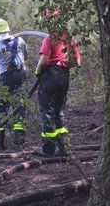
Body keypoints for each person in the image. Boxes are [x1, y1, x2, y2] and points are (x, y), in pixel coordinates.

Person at [33, 21, 81, 157]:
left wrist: (37, 71)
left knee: (47, 111)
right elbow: (77, 62)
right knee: (59, 111)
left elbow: (43, 61)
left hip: (50, 76)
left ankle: (48, 149)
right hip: (64, 76)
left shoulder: (50, 39)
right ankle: (64, 147)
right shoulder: (69, 39)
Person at [0, 18, 28, 149]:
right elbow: (25, 57)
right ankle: (19, 141)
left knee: (0, 110)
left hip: (6, 80)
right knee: (19, 108)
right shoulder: (20, 41)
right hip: (21, 78)